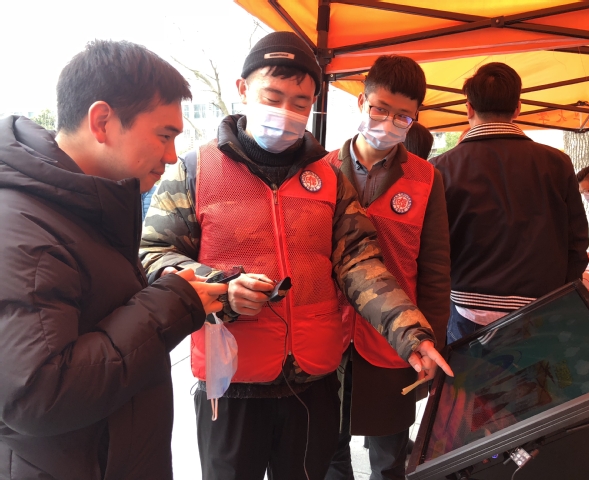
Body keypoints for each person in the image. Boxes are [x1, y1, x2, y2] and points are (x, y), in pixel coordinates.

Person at [140, 32, 453, 480]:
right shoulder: (195, 170)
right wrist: (221, 289)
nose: (285, 112)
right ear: (243, 89)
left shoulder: (330, 178)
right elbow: (155, 255)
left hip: (312, 383)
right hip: (231, 383)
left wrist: (411, 332)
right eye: (273, 97)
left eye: (300, 102)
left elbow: (360, 263)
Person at [0, 40, 227, 480]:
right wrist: (169, 303)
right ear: (102, 121)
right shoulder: (24, 228)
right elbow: (38, 394)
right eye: (164, 136)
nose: (171, 157)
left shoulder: (87, 207)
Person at [323, 55, 450, 480]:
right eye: (380, 108)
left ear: (414, 119)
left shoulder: (426, 179)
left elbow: (435, 270)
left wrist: (430, 338)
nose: (388, 122)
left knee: (390, 458)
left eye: (402, 116)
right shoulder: (320, 171)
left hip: (394, 342)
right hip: (328, 335)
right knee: (327, 452)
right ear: (362, 102)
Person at [432, 62, 589, 344]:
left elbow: (433, 248)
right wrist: (561, 290)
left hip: (468, 309)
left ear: (468, 108)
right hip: (542, 308)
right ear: (518, 108)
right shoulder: (557, 163)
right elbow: (577, 240)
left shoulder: (441, 168)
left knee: (470, 374)